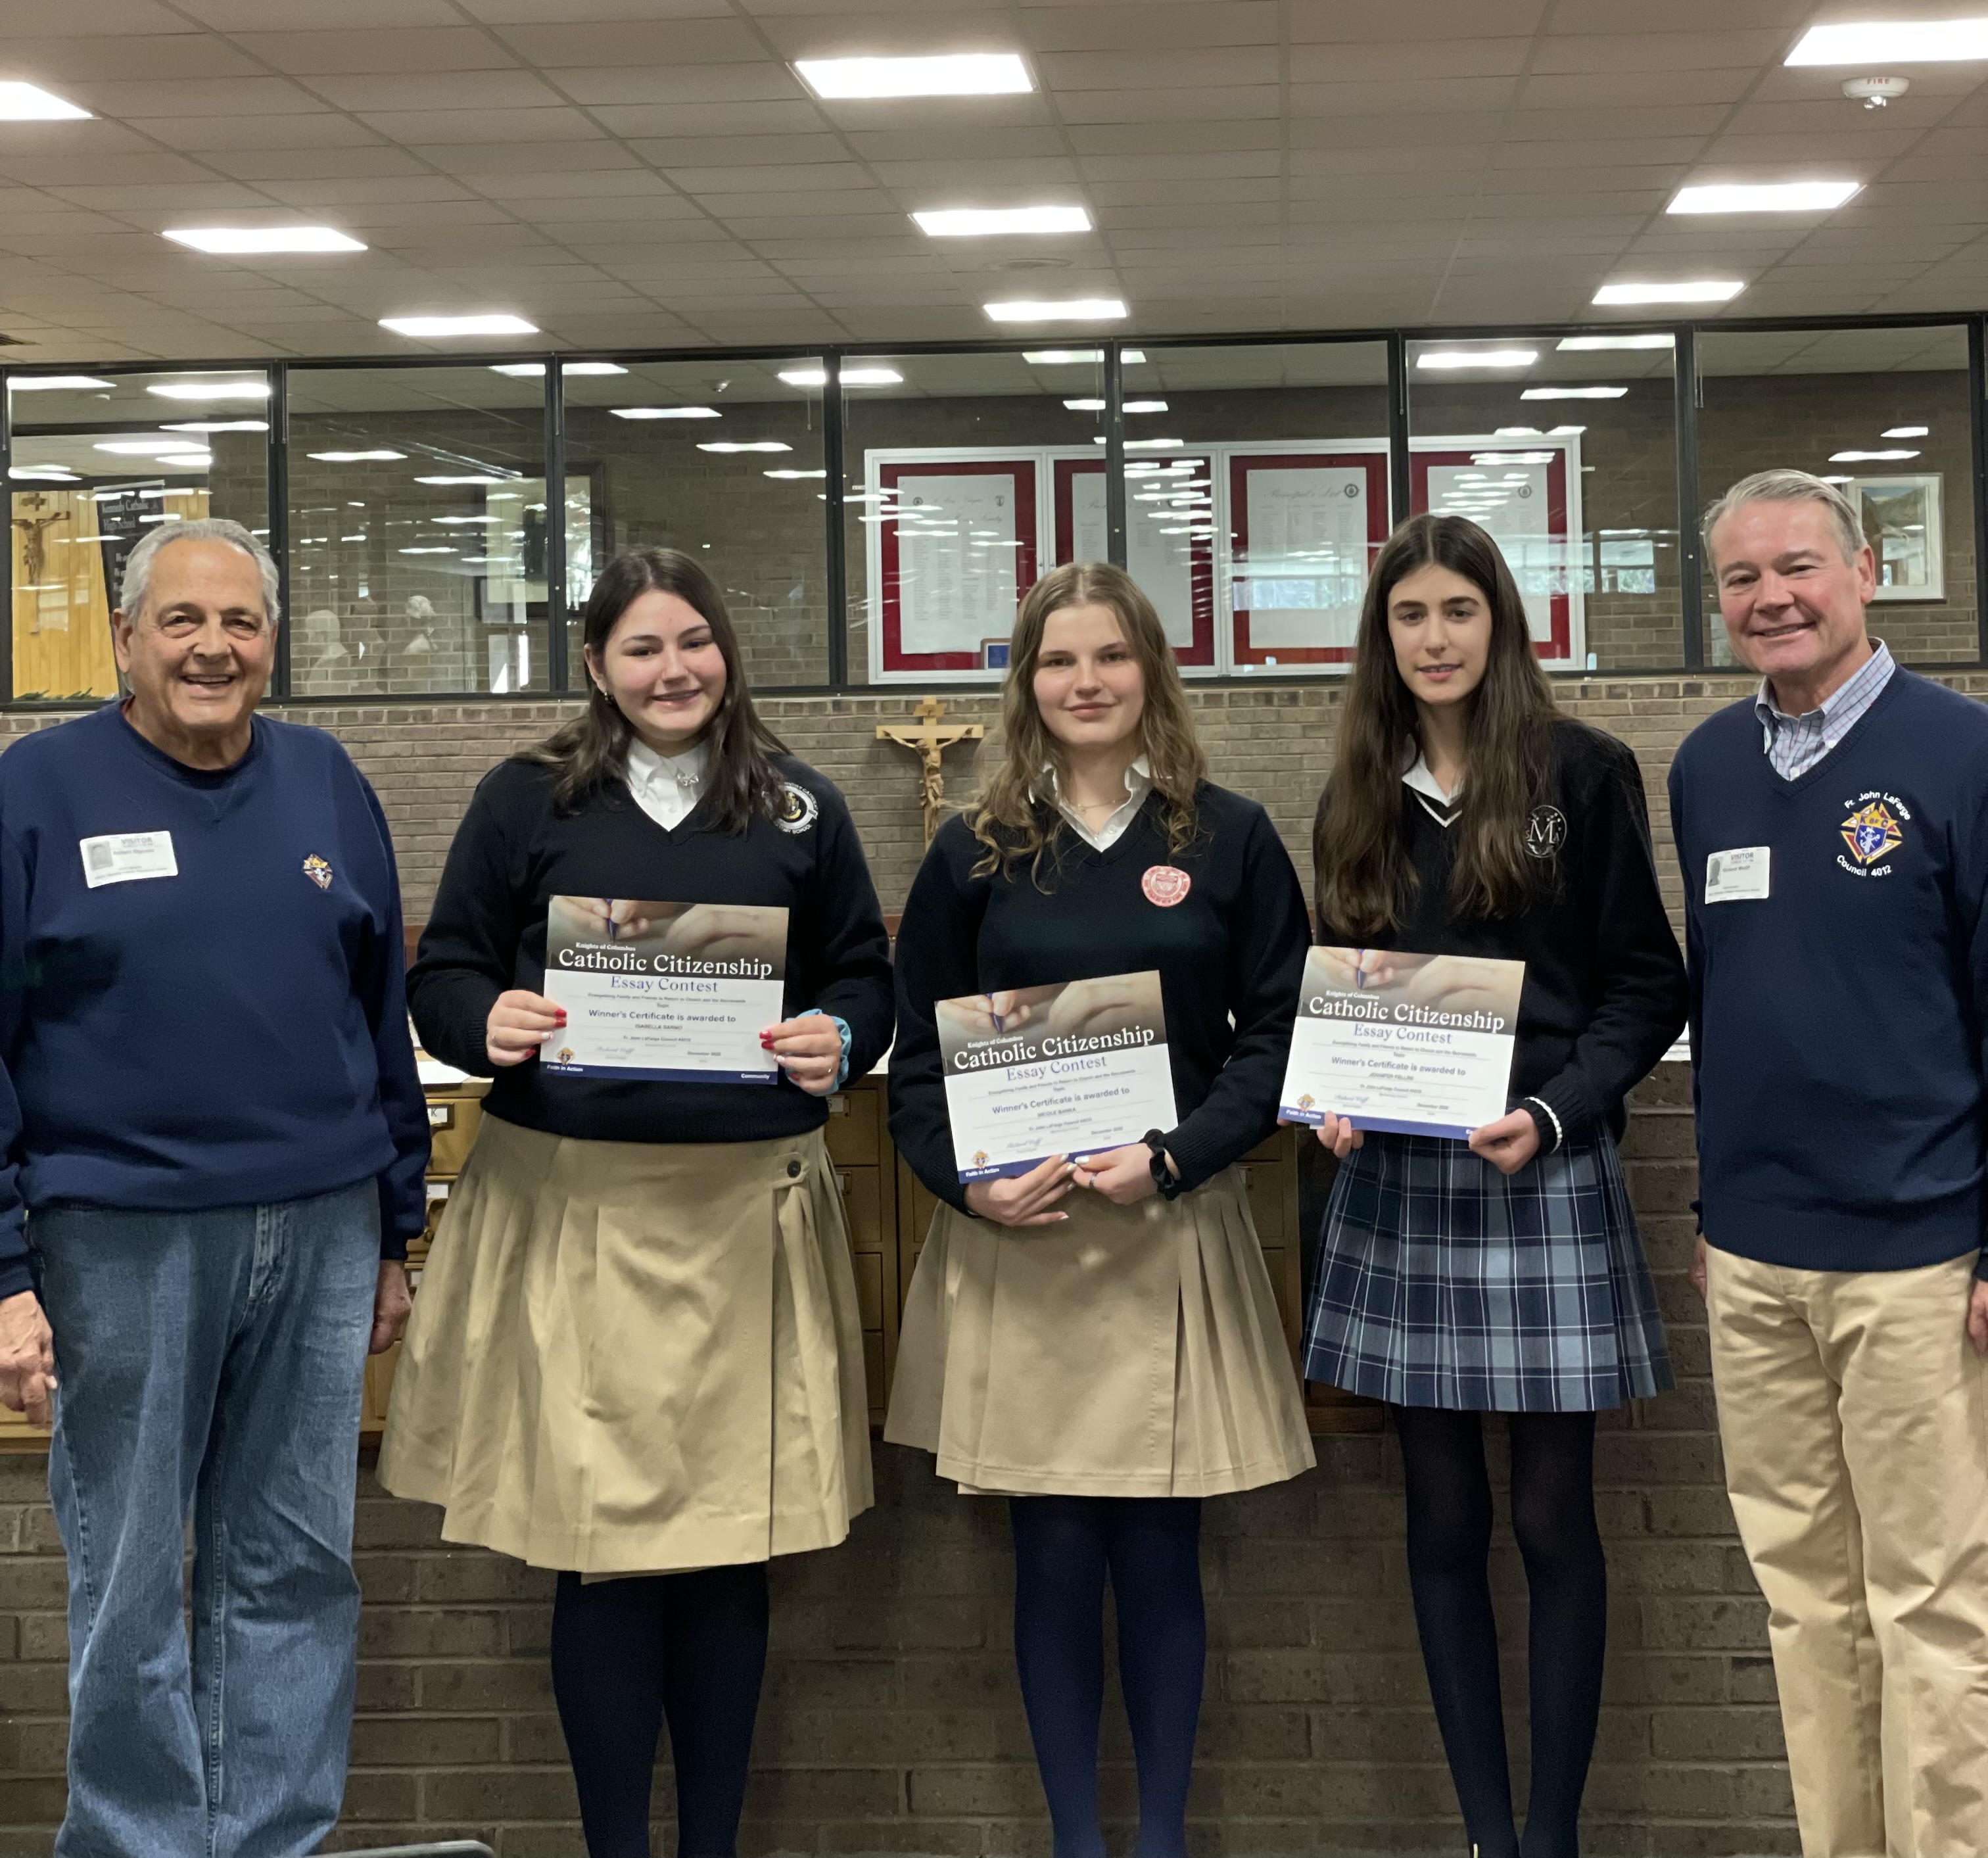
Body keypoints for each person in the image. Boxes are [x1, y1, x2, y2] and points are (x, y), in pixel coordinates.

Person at [377, 546, 893, 1858]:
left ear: (728, 654)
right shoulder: (526, 800)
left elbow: (859, 978)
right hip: (576, 1218)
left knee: (733, 1555)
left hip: (746, 1218)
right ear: (599, 667)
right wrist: (482, 1015)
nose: (676, 671)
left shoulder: (797, 809)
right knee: (598, 1553)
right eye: (644, 648)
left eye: (695, 644)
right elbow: (444, 972)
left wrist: (841, 1030)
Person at [0, 517, 429, 1857]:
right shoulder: (37, 791)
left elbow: (379, 1010)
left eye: (240, 623)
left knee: (296, 1568)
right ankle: (137, 1846)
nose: (212, 647)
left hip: (319, 1228)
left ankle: (268, 1841)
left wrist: (398, 1227)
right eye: (181, 621)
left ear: (273, 644)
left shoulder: (325, 781)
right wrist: (7, 1276)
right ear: (124, 640)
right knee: (132, 1582)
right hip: (116, 1236)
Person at [886, 561, 1315, 1858]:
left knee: (1163, 1552)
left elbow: (1282, 1035)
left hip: (1164, 1229)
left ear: (1152, 675)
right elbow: (918, 1061)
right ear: (1027, 684)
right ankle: (1079, 1839)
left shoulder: (1225, 836)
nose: (1087, 683)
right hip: (1028, 1244)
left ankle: (1164, 1839)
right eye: (1060, 662)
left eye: (1112, 659)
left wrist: (1179, 1156)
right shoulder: (971, 850)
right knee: (1055, 1549)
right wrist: (966, 1183)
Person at [1304, 514, 1685, 1858]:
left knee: (1548, 1515)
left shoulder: (1581, 772)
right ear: (1383, 636)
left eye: (1459, 611)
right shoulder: (1355, 784)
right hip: (1401, 1186)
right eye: (1410, 616)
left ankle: (1555, 1833)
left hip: (1541, 1170)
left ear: (1500, 622)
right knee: (1445, 1514)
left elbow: (1648, 985)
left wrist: (1555, 1109)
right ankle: (1485, 1832)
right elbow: (1337, 992)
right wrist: (1329, 1102)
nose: (1436, 639)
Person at [1671, 468, 1988, 1857]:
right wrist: (1709, 1210)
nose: (1772, 598)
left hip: (1921, 1254)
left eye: (1798, 566)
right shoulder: (1706, 769)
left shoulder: (1961, 754)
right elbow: (1727, 997)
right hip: (1753, 1258)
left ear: (1867, 568)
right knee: (1804, 1600)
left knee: (1932, 1602)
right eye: (1742, 579)